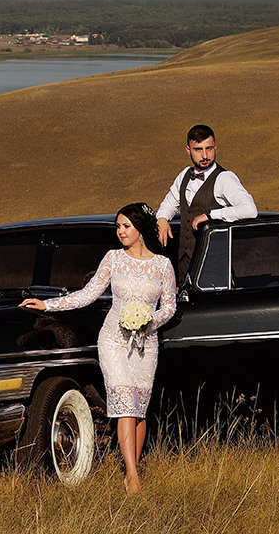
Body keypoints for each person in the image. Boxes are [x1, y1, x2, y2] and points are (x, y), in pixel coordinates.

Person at [20, 203, 176, 494]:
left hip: (147, 343)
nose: (120, 232)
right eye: (118, 226)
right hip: (114, 341)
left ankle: (134, 467)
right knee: (125, 405)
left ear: (140, 229)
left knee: (139, 408)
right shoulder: (114, 259)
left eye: (126, 226)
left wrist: (149, 321)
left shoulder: (162, 265)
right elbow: (88, 294)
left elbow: (169, 306)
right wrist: (48, 304)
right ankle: (132, 477)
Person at [156, 124, 258, 283]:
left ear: (216, 147)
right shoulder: (184, 175)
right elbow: (169, 202)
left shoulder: (224, 178)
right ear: (188, 150)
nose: (205, 155)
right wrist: (162, 218)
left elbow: (250, 210)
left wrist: (211, 215)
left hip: (214, 265)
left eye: (209, 148)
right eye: (198, 149)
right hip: (185, 262)